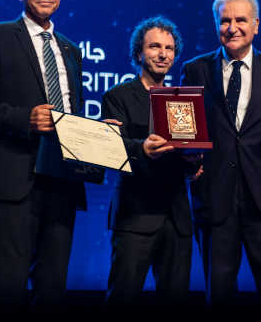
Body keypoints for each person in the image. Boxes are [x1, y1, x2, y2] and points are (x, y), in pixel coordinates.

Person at [0, 0, 86, 308]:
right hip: (13, 180)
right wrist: (24, 119)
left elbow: (73, 111)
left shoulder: (71, 50)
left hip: (61, 181)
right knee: (10, 287)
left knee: (53, 289)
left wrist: (96, 135)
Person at [180, 0, 261, 307]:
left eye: (241, 20)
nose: (232, 28)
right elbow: (185, 136)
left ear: (256, 25)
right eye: (225, 21)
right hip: (214, 202)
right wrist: (190, 168)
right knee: (219, 295)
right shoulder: (195, 70)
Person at [101, 16, 199, 306]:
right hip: (135, 216)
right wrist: (142, 149)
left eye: (169, 48)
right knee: (122, 299)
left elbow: (186, 156)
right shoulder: (117, 97)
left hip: (177, 218)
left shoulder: (182, 100)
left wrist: (195, 162)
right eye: (154, 46)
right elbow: (111, 150)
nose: (162, 54)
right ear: (139, 52)